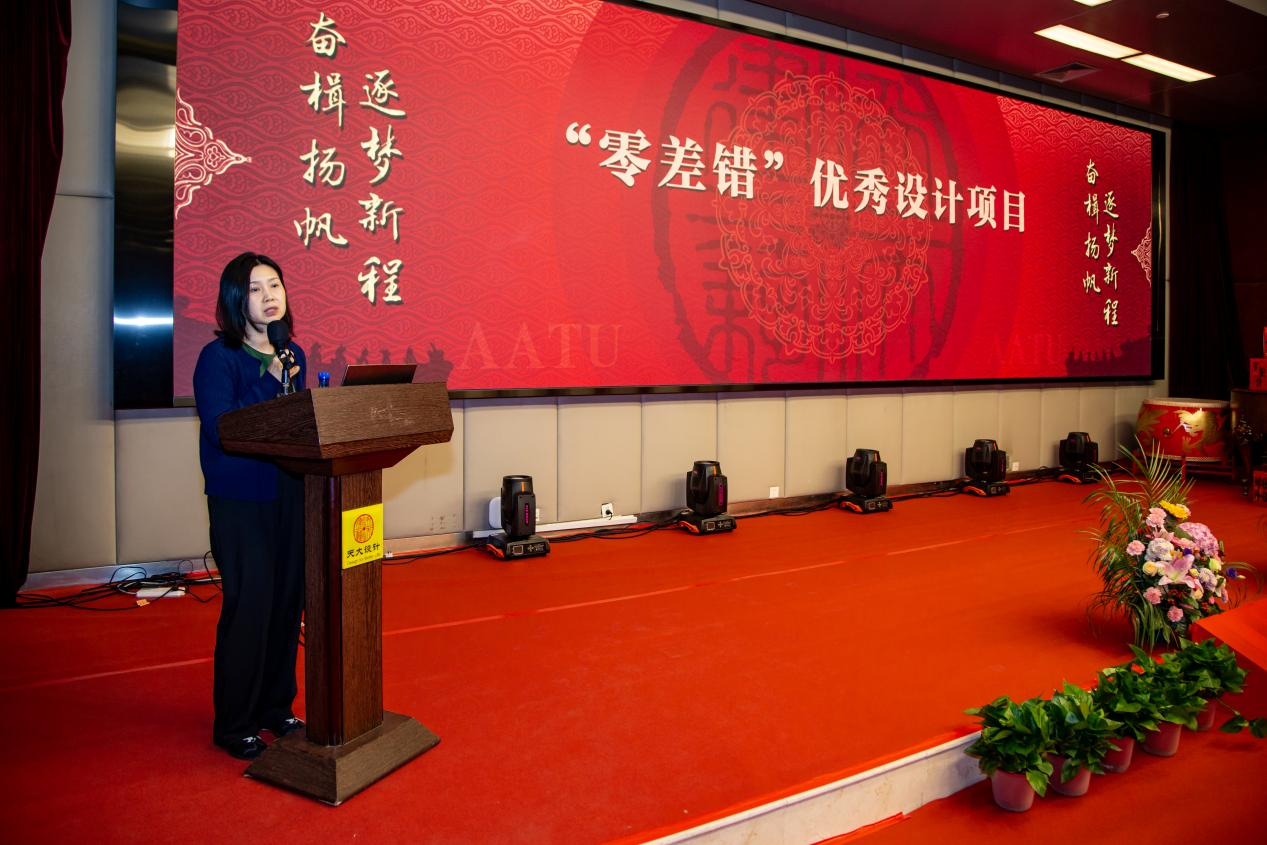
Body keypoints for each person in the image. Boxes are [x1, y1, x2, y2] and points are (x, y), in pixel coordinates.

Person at [193, 252, 307, 760]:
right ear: (237, 300)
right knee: (250, 607)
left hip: (289, 495)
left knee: (285, 605)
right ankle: (234, 723)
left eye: (275, 285)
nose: (269, 296)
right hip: (241, 502)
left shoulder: (293, 353)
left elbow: (296, 424)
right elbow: (223, 428)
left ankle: (275, 707)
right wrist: (270, 378)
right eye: (256, 289)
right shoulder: (218, 358)